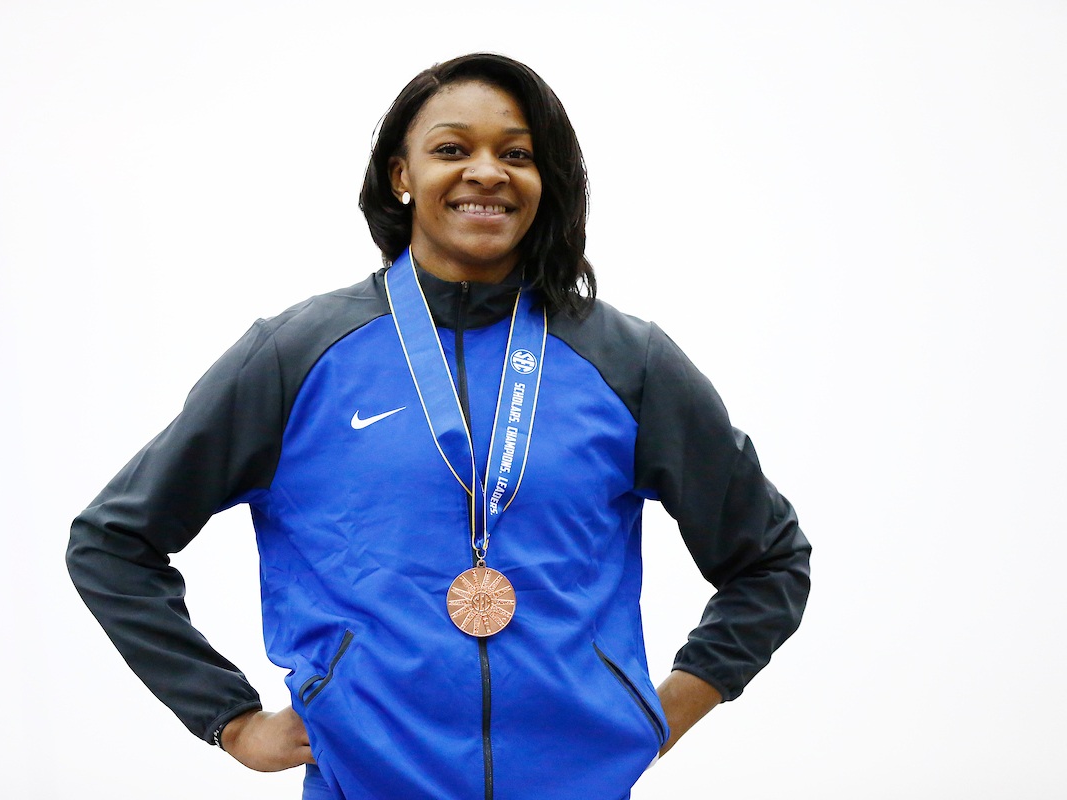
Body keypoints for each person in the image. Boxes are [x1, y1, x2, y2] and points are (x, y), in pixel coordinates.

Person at [67, 53, 811, 800]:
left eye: (515, 153)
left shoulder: (628, 362)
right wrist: (229, 719)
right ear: (401, 175)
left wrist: (657, 712)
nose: (487, 172)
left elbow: (770, 559)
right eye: (453, 149)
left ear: (545, 179)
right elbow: (113, 542)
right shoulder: (297, 354)